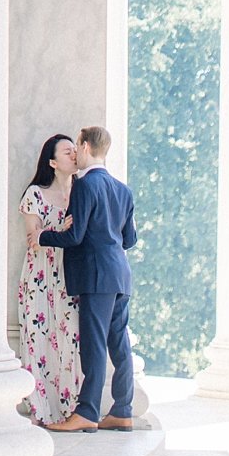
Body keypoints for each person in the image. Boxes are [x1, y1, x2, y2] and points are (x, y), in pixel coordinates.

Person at [28, 124, 137, 433]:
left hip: (95, 276)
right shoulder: (123, 189)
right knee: (119, 344)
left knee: (93, 345)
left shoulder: (84, 185)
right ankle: (122, 410)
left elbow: (75, 236)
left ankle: (87, 412)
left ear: (87, 146)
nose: (76, 152)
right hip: (120, 274)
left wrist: (43, 236)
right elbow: (129, 239)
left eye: (77, 146)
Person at [17, 133, 82, 425]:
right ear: (53, 162)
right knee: (40, 337)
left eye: (75, 150)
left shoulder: (83, 192)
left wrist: (58, 232)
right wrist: (62, 229)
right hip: (41, 275)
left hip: (71, 275)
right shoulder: (36, 194)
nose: (74, 155)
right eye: (67, 152)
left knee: (70, 338)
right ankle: (41, 408)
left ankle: (71, 407)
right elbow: (34, 240)